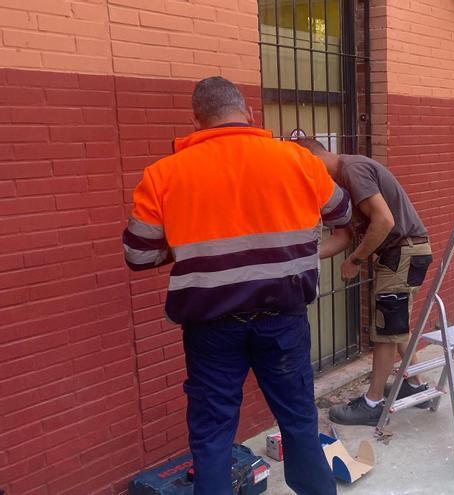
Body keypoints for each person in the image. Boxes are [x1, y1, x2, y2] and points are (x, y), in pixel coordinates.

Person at [123, 77, 350, 495]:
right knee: (299, 420)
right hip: (283, 320)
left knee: (212, 436)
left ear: (196, 120)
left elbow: (138, 255)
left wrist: (191, 246)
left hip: (211, 329)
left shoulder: (163, 174)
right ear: (248, 113)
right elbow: (341, 210)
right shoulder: (297, 161)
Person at [295, 139, 434, 426]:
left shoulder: (352, 170)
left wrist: (355, 260)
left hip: (402, 252)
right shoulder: (340, 185)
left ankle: (372, 403)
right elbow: (343, 236)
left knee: (385, 327)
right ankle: (418, 384)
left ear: (313, 159)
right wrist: (303, 256)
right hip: (401, 253)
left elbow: (384, 221)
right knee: (395, 323)